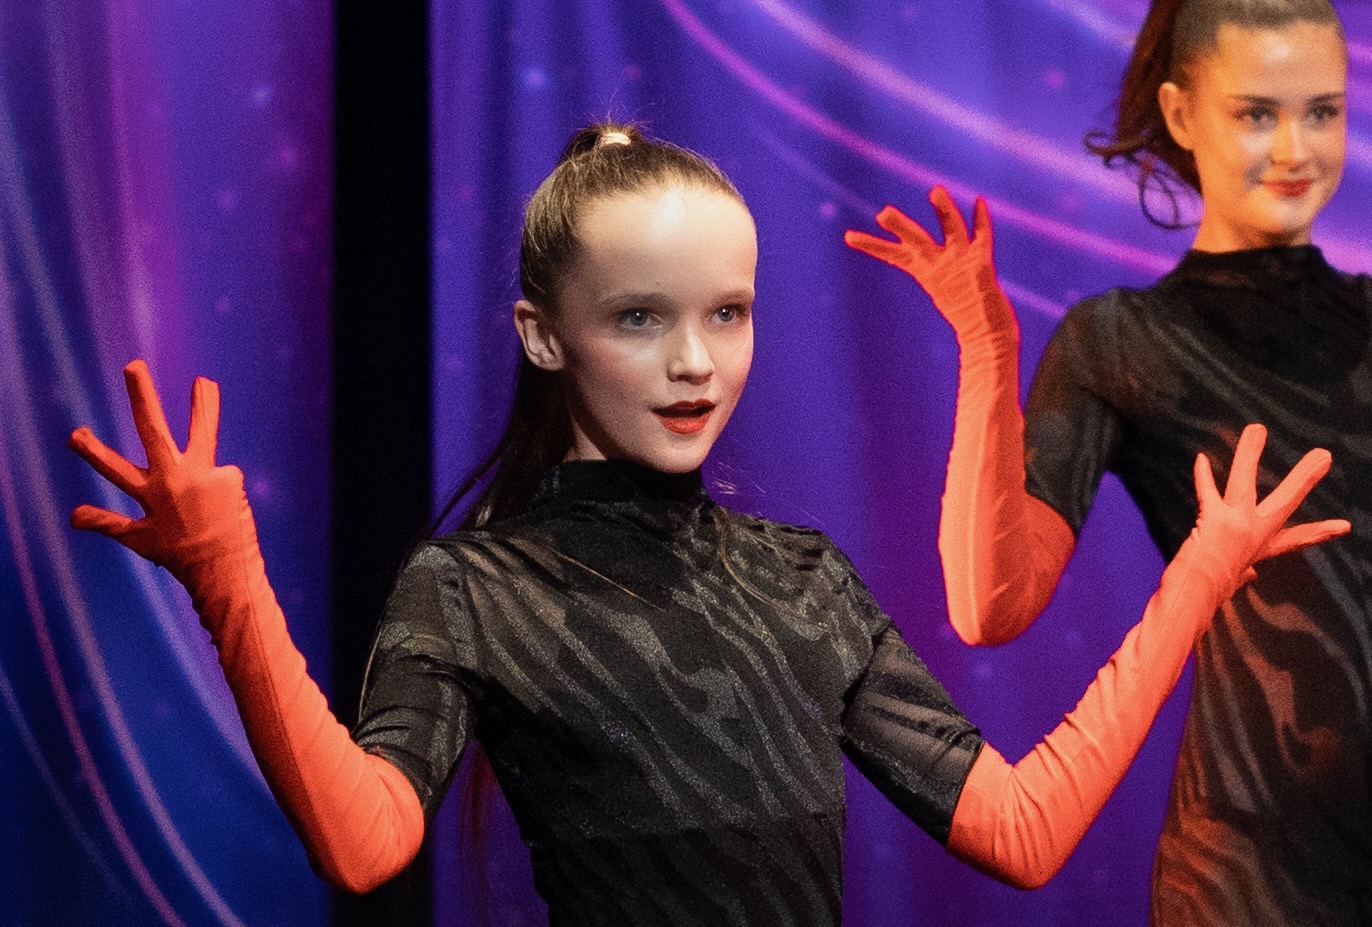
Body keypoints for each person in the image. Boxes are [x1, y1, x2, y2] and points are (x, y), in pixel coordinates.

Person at [69, 123, 1343, 926]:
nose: (695, 364)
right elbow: (362, 846)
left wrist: (1198, 578)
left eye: (726, 313)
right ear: (542, 333)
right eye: (639, 317)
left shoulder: (797, 579)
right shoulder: (471, 591)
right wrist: (228, 579)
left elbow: (1021, 831)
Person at [845, 0, 1370, 923]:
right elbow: (987, 604)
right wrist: (985, 347)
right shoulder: (1122, 341)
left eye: (1321, 110)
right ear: (1180, 114)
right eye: (1258, 112)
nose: (1296, 148)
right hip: (1248, 878)